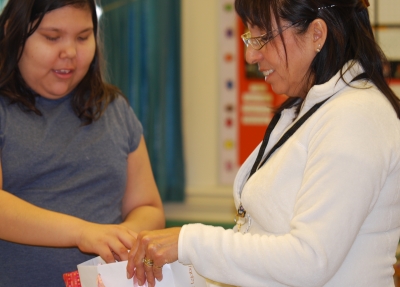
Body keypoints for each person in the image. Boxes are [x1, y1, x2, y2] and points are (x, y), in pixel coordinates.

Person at [127, 0, 400, 286]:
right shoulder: (310, 108)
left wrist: (188, 242)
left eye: (262, 37)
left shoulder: (356, 115)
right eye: (249, 36)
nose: (250, 55)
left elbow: (309, 259)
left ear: (316, 34)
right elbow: (263, 241)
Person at [0, 0, 165, 286]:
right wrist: (84, 233)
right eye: (52, 37)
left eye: (83, 37)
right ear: (13, 32)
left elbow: (148, 208)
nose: (71, 53)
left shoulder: (114, 109)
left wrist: (120, 238)